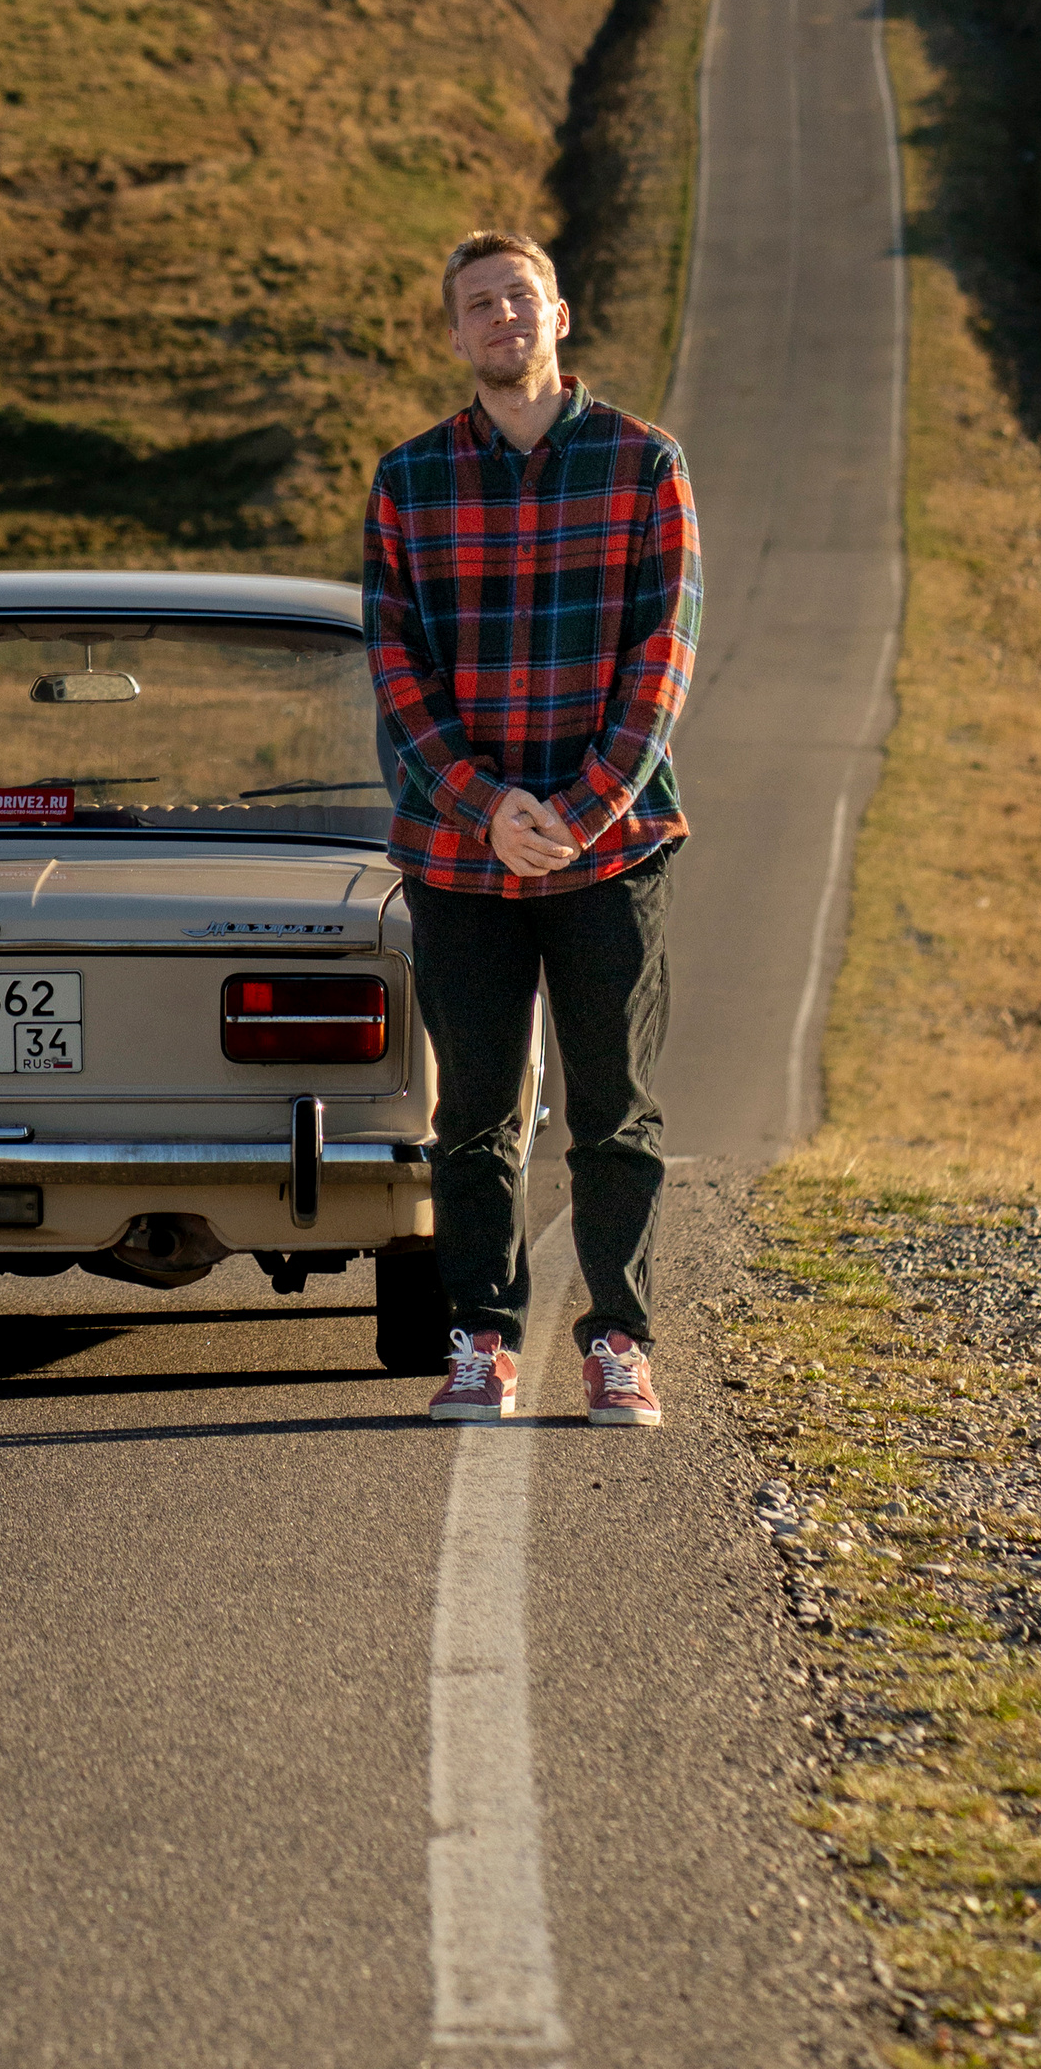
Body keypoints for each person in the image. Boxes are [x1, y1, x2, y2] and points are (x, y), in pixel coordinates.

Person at [363, 229, 702, 1428]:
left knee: (615, 1110)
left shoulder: (642, 463)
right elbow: (397, 672)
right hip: (460, 856)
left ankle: (619, 1339)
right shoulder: (408, 483)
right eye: (477, 304)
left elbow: (663, 658)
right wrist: (487, 805)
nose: (501, 316)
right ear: (454, 334)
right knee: (474, 1116)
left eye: (520, 296)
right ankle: (482, 1340)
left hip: (609, 849)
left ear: (560, 314)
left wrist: (577, 807)